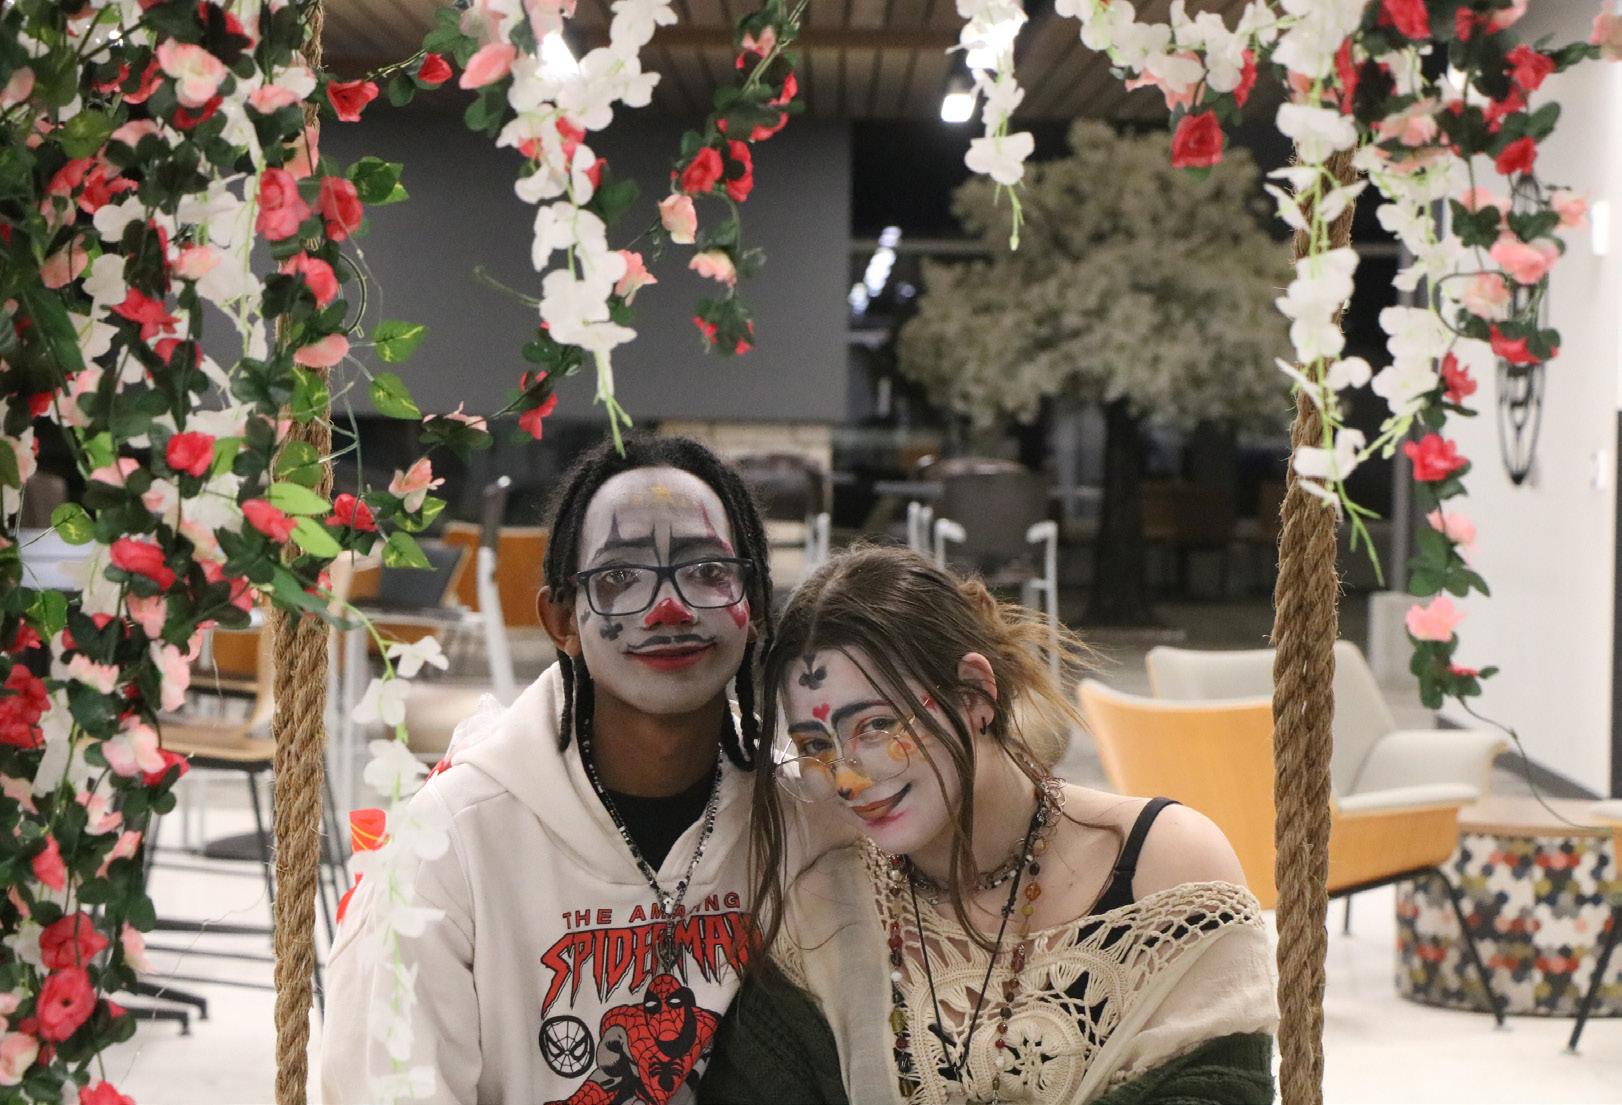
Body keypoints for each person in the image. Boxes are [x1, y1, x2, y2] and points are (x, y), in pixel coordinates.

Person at [700, 546, 1277, 1105]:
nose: (846, 779)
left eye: (875, 726)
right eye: (815, 746)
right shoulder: (827, 900)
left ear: (975, 692)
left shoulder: (1163, 866)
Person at [323, 434, 774, 1105]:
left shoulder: (801, 822)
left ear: (755, 604)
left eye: (708, 570)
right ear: (562, 620)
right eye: (619, 578)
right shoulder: (446, 846)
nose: (669, 608)